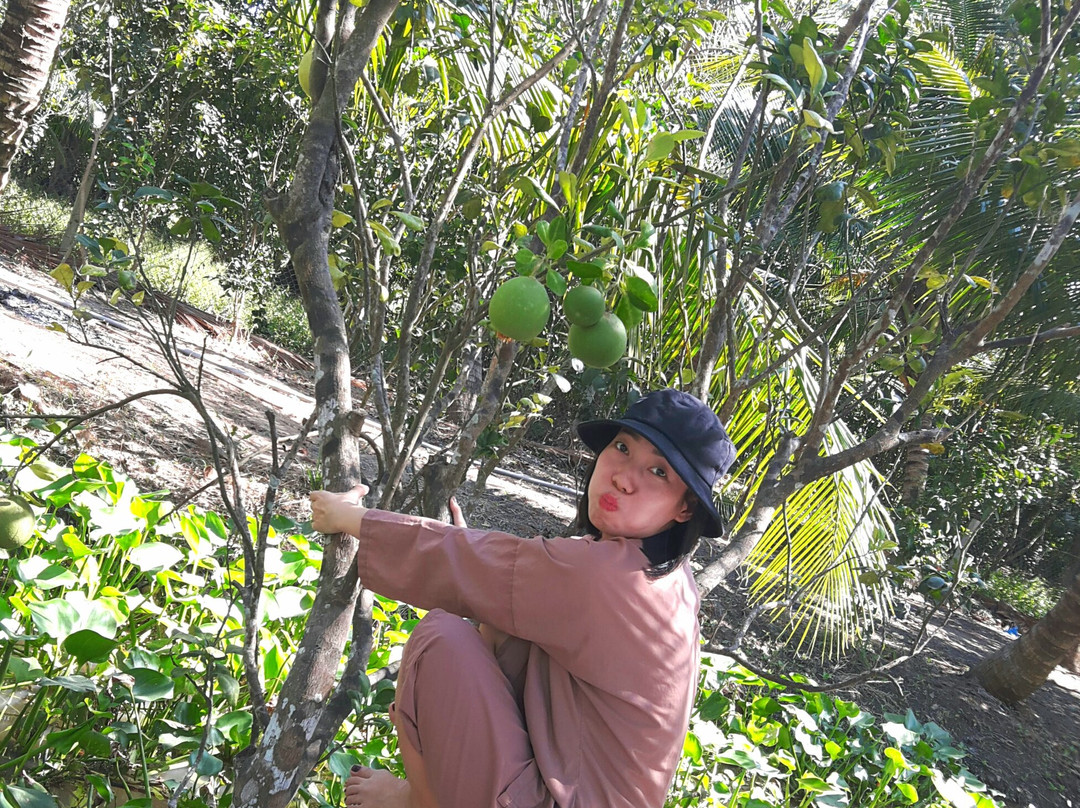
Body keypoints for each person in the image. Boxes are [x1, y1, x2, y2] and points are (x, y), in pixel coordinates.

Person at [309, 388, 736, 808]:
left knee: (439, 638)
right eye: (622, 447)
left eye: (658, 472)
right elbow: (502, 577)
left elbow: (462, 562)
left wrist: (348, 516)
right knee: (498, 620)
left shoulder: (605, 576)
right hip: (572, 779)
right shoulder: (670, 579)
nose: (623, 477)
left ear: (685, 509)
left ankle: (418, 800)